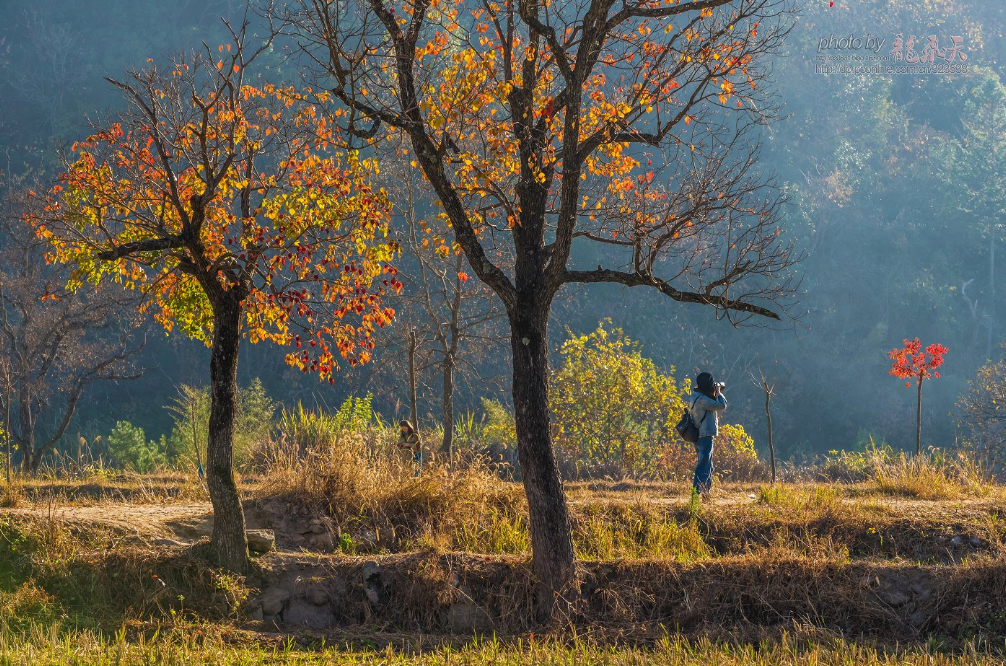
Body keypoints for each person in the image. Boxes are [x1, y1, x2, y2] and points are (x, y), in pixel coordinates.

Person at [690, 372, 727, 497]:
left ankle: (706, 494)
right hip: (705, 436)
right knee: (703, 467)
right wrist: (719, 392)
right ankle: (696, 495)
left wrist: (714, 392)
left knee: (708, 466)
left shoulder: (696, 396)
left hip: (700, 436)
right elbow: (722, 405)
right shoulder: (703, 400)